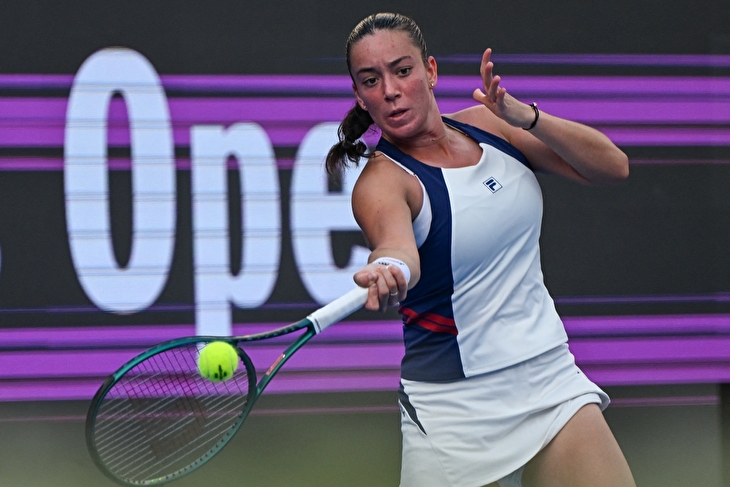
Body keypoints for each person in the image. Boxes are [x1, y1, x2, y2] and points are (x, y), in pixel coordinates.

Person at [326, 12, 636, 487]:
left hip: (548, 377)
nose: (389, 90)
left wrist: (527, 118)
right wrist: (387, 267)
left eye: (402, 70)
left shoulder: (493, 126)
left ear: (430, 70)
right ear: (359, 96)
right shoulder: (382, 182)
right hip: (455, 412)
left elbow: (613, 167)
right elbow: (397, 247)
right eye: (371, 80)